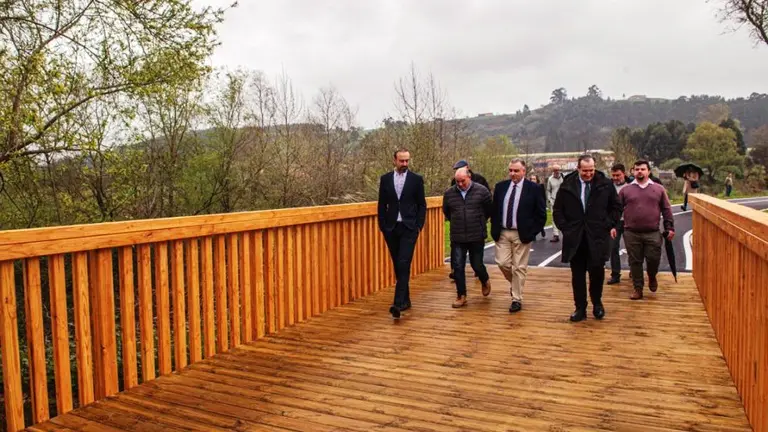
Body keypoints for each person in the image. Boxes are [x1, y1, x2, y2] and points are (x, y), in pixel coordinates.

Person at [553, 155, 621, 322]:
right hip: (575, 238)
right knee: (577, 275)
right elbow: (557, 210)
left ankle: (597, 304)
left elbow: (616, 207)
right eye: (585, 171)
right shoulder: (567, 185)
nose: (589, 174)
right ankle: (580, 308)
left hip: (597, 237)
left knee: (597, 273)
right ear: (578, 169)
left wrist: (607, 223)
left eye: (591, 170)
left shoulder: (605, 185)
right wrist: (566, 228)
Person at [490, 158, 546, 313]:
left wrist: (532, 231)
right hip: (502, 232)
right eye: (510, 170)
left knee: (519, 267)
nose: (512, 174)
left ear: (523, 171)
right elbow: (495, 210)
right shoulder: (501, 187)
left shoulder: (534, 189)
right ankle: (515, 285)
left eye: (516, 171)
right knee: (502, 263)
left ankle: (516, 299)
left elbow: (541, 214)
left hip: (522, 234)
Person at [377, 148, 427, 319]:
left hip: (409, 228)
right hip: (391, 228)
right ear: (394, 160)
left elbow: (422, 205)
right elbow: (382, 205)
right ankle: (405, 300)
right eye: (402, 161)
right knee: (397, 264)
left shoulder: (416, 180)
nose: (405, 164)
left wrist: (418, 225)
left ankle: (398, 304)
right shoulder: (385, 179)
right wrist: (383, 226)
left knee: (404, 263)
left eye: (407, 161)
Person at [617, 160, 675, 300]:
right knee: (635, 261)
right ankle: (638, 288)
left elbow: (666, 209)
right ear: (633, 171)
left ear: (649, 171)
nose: (640, 172)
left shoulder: (659, 189)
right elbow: (616, 210)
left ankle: (652, 275)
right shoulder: (626, 190)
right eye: (637, 169)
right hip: (631, 232)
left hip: (652, 232)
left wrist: (669, 227)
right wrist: (613, 226)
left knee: (653, 259)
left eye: (643, 169)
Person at [443, 167, 493, 308]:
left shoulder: (482, 191)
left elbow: (489, 209)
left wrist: (479, 220)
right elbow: (447, 212)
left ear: (469, 177)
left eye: (462, 181)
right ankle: (461, 295)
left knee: (477, 264)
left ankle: (485, 279)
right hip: (458, 236)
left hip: (476, 234)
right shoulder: (449, 194)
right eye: (457, 181)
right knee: (458, 266)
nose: (459, 184)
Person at [448, 159, 489, 281]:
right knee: (458, 260)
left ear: (468, 168)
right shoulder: (453, 183)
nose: (460, 183)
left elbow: (487, 204)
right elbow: (449, 206)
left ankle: (481, 275)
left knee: (476, 261)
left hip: (476, 227)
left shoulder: (480, 181)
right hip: (459, 228)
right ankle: (458, 284)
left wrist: (481, 218)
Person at [607, 164, 629, 285]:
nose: (615, 177)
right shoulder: (608, 187)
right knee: (613, 247)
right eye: (613, 175)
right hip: (614, 222)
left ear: (624, 174)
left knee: (632, 248)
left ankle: (634, 270)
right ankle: (615, 274)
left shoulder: (630, 186)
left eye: (618, 175)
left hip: (628, 221)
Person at [546, 165, 563, 242]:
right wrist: (549, 200)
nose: (557, 171)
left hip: (563, 201)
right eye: (555, 170)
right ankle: (555, 235)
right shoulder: (550, 179)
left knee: (565, 218)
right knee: (554, 218)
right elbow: (548, 190)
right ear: (553, 171)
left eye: (558, 170)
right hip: (554, 200)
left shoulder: (564, 178)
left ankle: (566, 233)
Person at [529, 174, 547, 239]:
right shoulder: (528, 187)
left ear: (537, 180)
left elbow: (543, 197)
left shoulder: (540, 186)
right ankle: (533, 234)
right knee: (532, 219)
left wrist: (544, 206)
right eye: (531, 179)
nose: (533, 180)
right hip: (532, 206)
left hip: (539, 206)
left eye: (534, 179)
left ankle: (541, 229)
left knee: (539, 218)